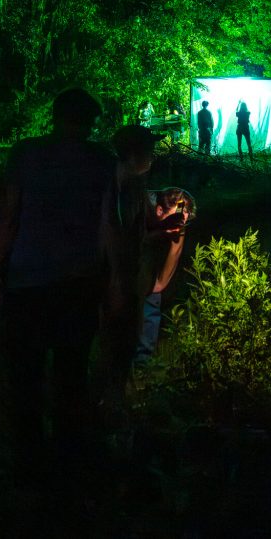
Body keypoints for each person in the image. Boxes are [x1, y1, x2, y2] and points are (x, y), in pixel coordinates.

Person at [0, 88, 116, 478]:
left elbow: (8, 216)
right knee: (71, 372)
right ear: (90, 122)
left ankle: (28, 459)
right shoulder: (102, 161)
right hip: (79, 281)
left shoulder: (25, 153)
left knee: (26, 371)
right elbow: (108, 226)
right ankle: (69, 456)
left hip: (29, 282)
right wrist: (113, 279)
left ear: (55, 115)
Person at [100, 124, 166, 419]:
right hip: (121, 276)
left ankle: (115, 401)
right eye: (148, 150)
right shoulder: (123, 185)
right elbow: (118, 232)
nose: (153, 155)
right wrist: (116, 280)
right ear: (133, 153)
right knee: (120, 341)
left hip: (126, 274)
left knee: (123, 338)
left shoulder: (133, 184)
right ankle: (112, 405)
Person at [135, 188, 197, 363]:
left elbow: (176, 249)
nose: (177, 227)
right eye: (174, 221)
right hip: (128, 265)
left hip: (150, 270)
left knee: (151, 304)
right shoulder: (141, 206)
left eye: (182, 223)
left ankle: (142, 367)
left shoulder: (179, 214)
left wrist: (159, 285)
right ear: (159, 210)